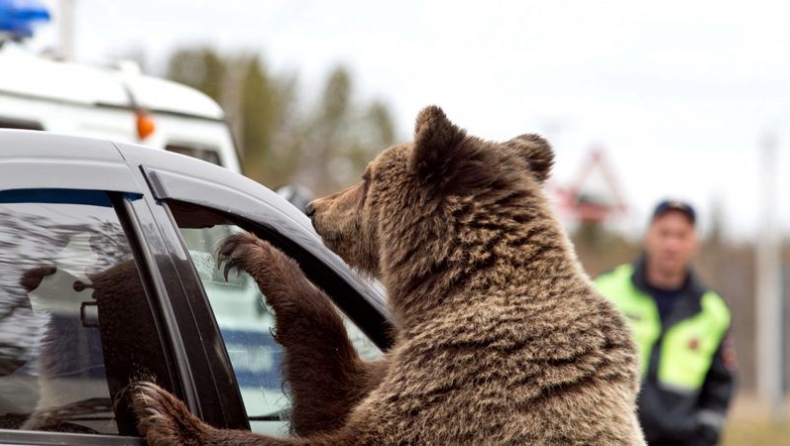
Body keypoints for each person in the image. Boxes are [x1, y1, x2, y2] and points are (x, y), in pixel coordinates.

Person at [594, 199, 736, 446]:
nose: (672, 244)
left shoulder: (713, 312)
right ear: (649, 237)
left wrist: (707, 434)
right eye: (664, 233)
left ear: (694, 243)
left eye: (681, 235)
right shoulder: (605, 290)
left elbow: (720, 385)